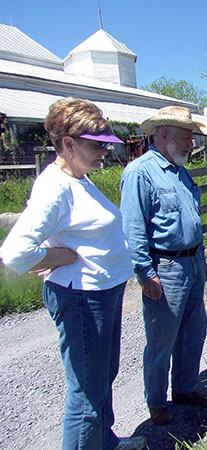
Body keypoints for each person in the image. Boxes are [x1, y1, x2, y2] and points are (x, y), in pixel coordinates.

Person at [0, 98, 145, 450]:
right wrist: (60, 255)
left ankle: (104, 441)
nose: (104, 154)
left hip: (102, 292)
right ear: (69, 143)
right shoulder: (55, 188)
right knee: (86, 393)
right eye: (97, 146)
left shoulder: (79, 179)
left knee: (102, 377)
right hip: (82, 298)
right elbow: (14, 252)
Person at [119, 106, 207, 425]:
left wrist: (202, 258)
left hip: (193, 263)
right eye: (187, 138)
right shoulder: (139, 173)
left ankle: (185, 388)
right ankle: (156, 400)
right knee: (162, 339)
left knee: (194, 329)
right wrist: (146, 274)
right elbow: (133, 228)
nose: (191, 144)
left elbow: (192, 220)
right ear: (164, 135)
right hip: (165, 267)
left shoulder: (182, 172)